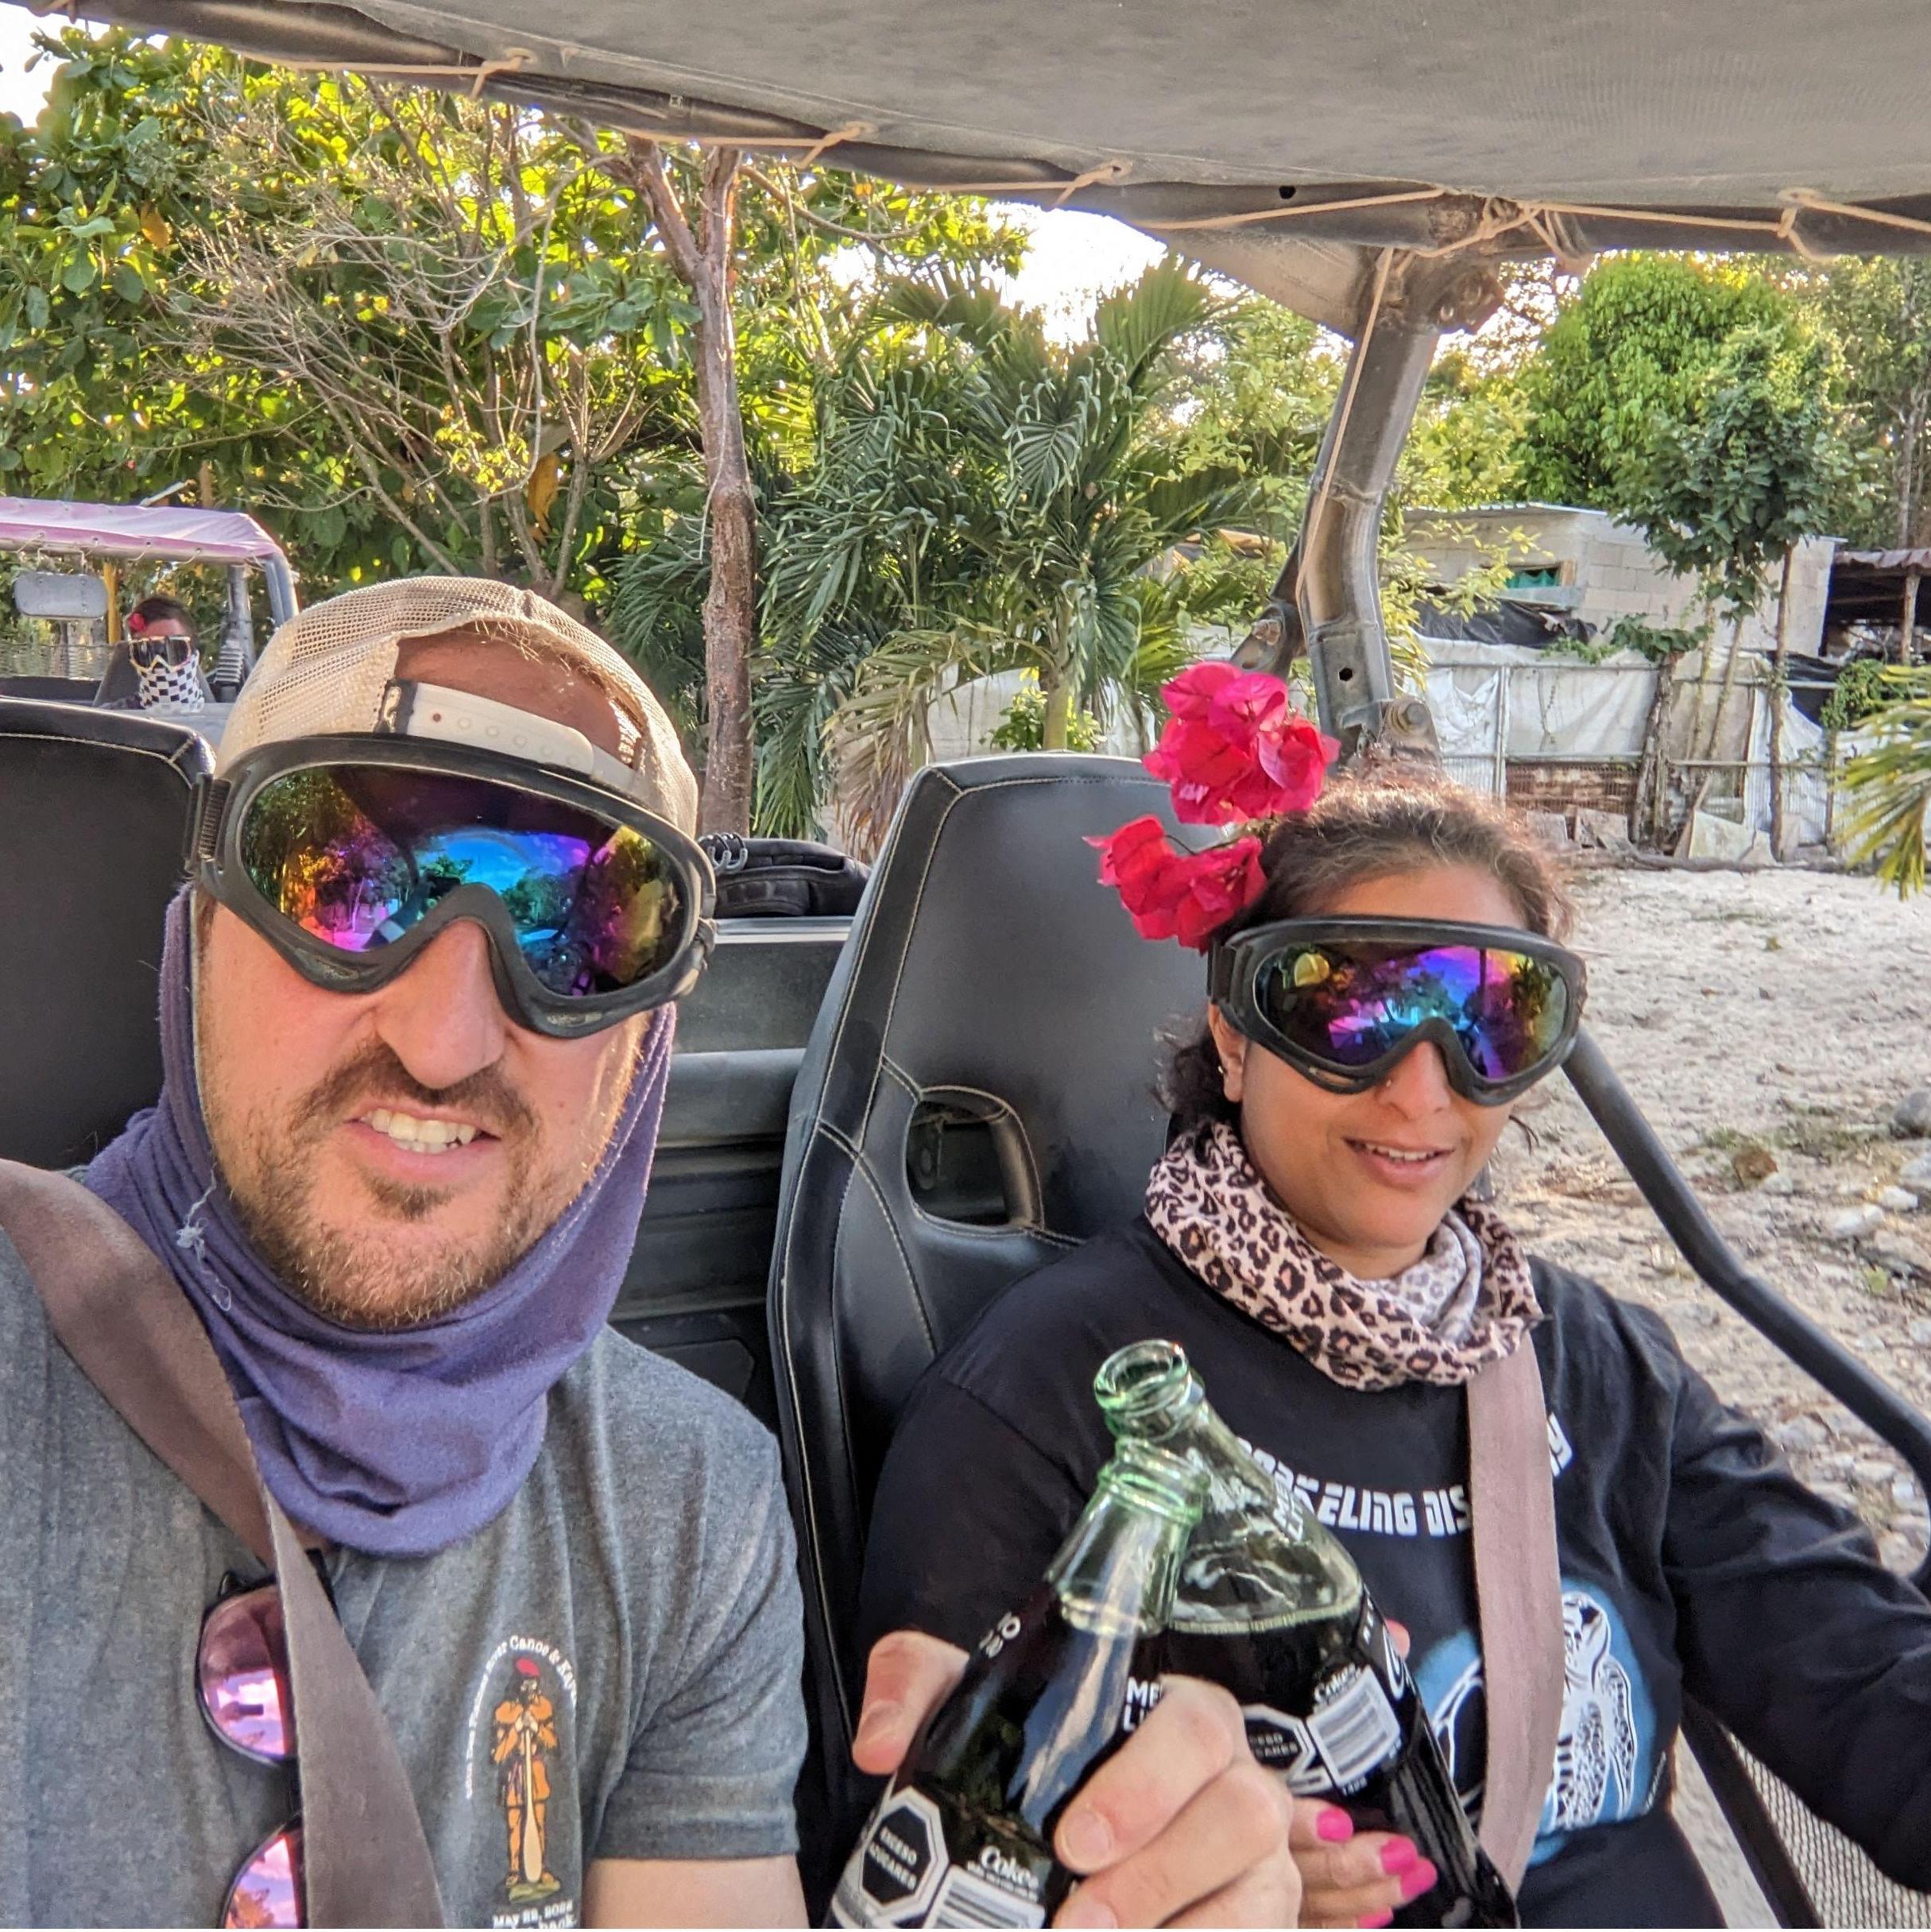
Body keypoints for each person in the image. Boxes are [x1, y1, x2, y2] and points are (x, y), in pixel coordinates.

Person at [0, 578, 1297, 1929]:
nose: (443, 1042)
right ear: (203, 916)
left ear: (650, 1038)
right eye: (347, 886)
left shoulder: (688, 1508)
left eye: (579, 932)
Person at [858, 666, 1931, 1929]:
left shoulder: (1592, 1358)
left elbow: (1865, 1696)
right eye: (1352, 1009)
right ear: (1237, 1031)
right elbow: (947, 1861)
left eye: (1489, 1021)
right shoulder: (1050, 1393)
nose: (1422, 1092)